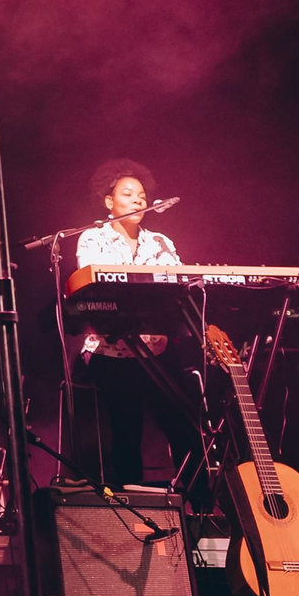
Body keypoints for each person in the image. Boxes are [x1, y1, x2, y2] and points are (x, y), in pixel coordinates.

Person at [72, 160, 200, 489]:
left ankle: (198, 502)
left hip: (156, 348)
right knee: (125, 432)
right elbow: (96, 286)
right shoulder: (92, 238)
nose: (137, 200)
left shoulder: (160, 242)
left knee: (184, 426)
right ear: (108, 201)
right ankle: (128, 504)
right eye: (127, 194)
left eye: (141, 195)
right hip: (111, 350)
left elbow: (174, 287)